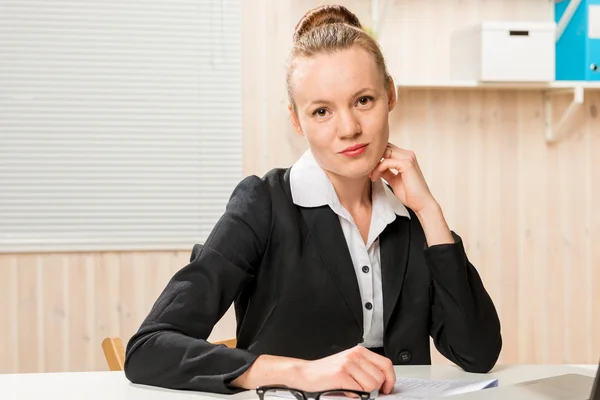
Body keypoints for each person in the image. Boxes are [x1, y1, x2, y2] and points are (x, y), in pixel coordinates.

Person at [124, 4, 502, 396]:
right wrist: (298, 372)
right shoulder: (263, 205)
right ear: (296, 120)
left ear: (390, 94)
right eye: (322, 111)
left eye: (364, 101)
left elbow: (477, 353)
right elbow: (149, 349)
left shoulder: (409, 220)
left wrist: (429, 212)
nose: (349, 128)